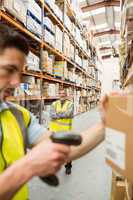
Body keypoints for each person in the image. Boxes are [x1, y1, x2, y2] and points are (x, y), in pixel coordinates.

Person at [0, 24, 105, 200]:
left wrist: (107, 124)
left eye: (19, 73)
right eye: (9, 70)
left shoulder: (19, 115)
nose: (16, 82)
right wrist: (26, 167)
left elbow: (63, 150)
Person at [49, 89, 74, 175]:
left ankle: (68, 167)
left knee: (67, 151)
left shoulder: (70, 104)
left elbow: (69, 114)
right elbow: (52, 114)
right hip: (54, 131)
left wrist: (57, 115)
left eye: (63, 93)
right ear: (58, 94)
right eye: (60, 93)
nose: (62, 95)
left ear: (66, 95)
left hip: (66, 131)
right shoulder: (54, 104)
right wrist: (62, 114)